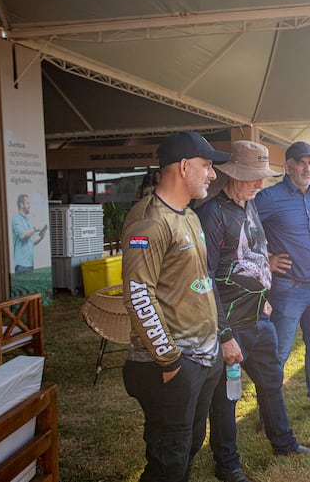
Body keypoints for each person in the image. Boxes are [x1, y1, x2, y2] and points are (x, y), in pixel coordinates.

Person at [195, 141, 310, 482]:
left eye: (262, 177)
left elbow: (253, 253)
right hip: (229, 325)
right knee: (225, 399)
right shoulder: (212, 214)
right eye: (252, 177)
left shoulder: (250, 204)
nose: (259, 183)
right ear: (233, 175)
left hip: (258, 317)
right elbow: (204, 279)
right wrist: (224, 335)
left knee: (271, 383)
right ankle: (228, 466)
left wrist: (263, 292)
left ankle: (284, 443)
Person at [121, 131, 229, 482]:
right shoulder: (149, 221)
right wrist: (170, 361)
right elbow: (139, 295)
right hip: (172, 364)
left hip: (203, 359)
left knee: (190, 445)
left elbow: (201, 281)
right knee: (168, 460)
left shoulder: (190, 216)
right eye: (206, 165)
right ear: (184, 167)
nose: (212, 174)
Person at [254, 141, 310, 416]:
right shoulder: (268, 198)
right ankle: (269, 414)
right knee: (279, 353)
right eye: (301, 163)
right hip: (287, 289)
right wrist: (267, 258)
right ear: (288, 166)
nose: (308, 168)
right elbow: (245, 231)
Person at [12, 194, 47, 273]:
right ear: (21, 204)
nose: (29, 206)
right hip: (21, 265)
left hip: (30, 264)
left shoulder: (28, 221)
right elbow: (23, 235)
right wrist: (34, 229)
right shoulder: (16, 219)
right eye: (27, 203)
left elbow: (32, 242)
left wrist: (41, 237)